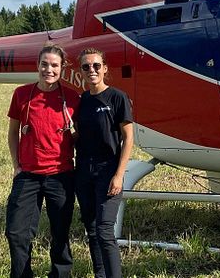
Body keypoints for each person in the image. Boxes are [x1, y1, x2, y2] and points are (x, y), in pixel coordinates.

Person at [5, 44, 80, 278]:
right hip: (28, 175)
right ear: (37, 66)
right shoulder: (22, 94)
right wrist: (17, 165)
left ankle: (60, 274)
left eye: (54, 65)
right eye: (45, 64)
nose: (49, 69)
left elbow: (80, 136)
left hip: (61, 174)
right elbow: (13, 133)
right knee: (17, 232)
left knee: (60, 231)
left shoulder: (72, 97)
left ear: (62, 68)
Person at [74, 48, 133, 278]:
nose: (92, 70)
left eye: (96, 65)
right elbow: (78, 135)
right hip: (83, 171)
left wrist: (119, 175)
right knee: (91, 230)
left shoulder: (117, 97)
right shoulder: (82, 101)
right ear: (81, 71)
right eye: (86, 67)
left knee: (104, 230)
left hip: (108, 170)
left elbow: (128, 139)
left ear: (105, 69)